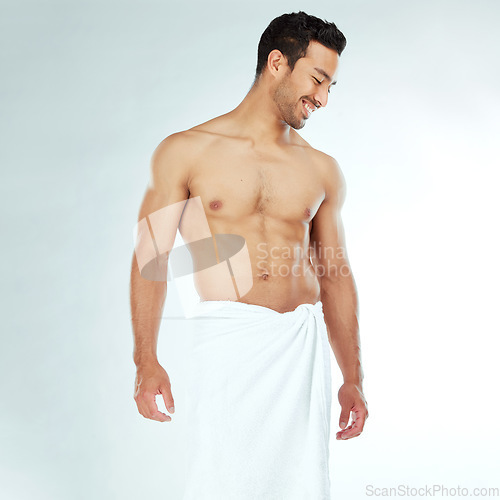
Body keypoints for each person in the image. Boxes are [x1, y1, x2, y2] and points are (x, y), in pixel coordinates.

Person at [130, 10, 368, 499]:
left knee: (303, 488)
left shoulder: (322, 169)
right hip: (226, 347)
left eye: (331, 87)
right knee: (217, 483)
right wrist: (145, 360)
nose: (323, 99)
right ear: (277, 62)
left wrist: (353, 377)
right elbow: (150, 259)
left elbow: (336, 277)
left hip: (300, 354)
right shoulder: (187, 150)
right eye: (318, 80)